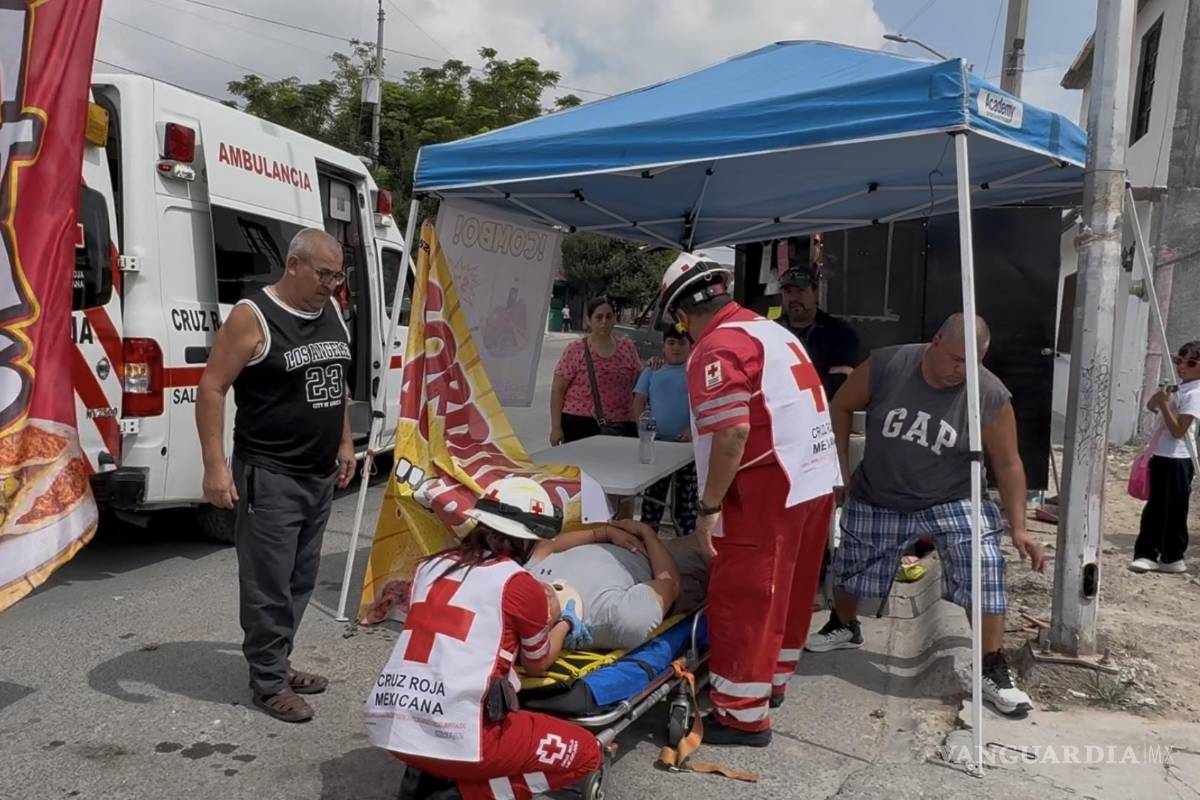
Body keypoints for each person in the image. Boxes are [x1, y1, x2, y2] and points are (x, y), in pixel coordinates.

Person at [806, 314, 1047, 718]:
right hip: (880, 492)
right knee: (852, 563)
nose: (960, 371)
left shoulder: (988, 393)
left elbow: (1008, 463)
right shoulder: (888, 364)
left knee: (984, 563)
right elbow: (841, 406)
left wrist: (1019, 527)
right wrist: (839, 469)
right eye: (954, 359)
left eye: (970, 363)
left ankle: (991, 666)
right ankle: (845, 625)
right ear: (934, 342)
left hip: (951, 498)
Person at [658, 252, 839, 747]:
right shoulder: (769, 330)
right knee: (790, 589)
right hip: (812, 476)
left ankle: (741, 713)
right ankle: (771, 683)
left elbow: (733, 431)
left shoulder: (718, 346)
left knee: (745, 595)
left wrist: (709, 508)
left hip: (764, 484)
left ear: (681, 313)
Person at [197, 228, 357, 723]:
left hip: (318, 473)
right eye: (325, 274)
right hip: (270, 473)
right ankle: (267, 683)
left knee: (299, 579)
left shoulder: (330, 310)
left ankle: (278, 662)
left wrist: (346, 441)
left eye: (338, 275)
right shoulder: (253, 316)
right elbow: (212, 388)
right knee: (267, 583)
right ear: (294, 265)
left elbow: (336, 382)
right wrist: (215, 466)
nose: (333, 284)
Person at [366, 477, 602, 800]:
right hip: (465, 736)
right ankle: (461, 794)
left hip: (392, 726)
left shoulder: (428, 567)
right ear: (528, 541)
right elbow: (538, 663)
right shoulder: (519, 584)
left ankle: (432, 779)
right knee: (587, 754)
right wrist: (567, 622)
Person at [526, 518, 709, 650]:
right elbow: (670, 584)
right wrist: (648, 535)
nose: (540, 592)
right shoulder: (611, 621)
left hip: (617, 541)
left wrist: (603, 532)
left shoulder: (527, 577)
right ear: (549, 624)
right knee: (715, 547)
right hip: (662, 560)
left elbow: (547, 546)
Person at [1130, 341, 1200, 575]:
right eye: (1179, 361)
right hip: (1161, 454)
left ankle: (1171, 556)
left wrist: (1164, 404)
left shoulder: (1196, 393)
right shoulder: (1180, 388)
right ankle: (1147, 554)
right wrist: (1159, 398)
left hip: (1179, 458)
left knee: (1174, 508)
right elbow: (1151, 407)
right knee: (1156, 506)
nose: (1182, 367)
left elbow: (1179, 430)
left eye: (1190, 363)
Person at [550, 297, 643, 444]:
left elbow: (638, 385)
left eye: (609, 316)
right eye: (598, 317)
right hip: (579, 425)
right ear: (589, 320)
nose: (604, 321)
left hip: (622, 425)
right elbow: (558, 390)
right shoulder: (575, 349)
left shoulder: (627, 347)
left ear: (615, 319)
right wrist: (556, 427)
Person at [633, 329, 698, 535]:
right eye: (671, 343)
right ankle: (646, 540)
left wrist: (693, 428)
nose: (676, 348)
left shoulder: (695, 371)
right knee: (653, 498)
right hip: (656, 445)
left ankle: (685, 541)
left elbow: (703, 405)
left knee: (686, 501)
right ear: (663, 346)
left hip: (686, 449)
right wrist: (642, 429)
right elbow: (639, 401)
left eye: (681, 343)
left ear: (690, 346)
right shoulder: (652, 370)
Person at [777, 265, 862, 399]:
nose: (794, 298)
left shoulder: (840, 333)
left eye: (800, 290)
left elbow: (843, 378)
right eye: (788, 292)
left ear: (815, 293)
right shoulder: (771, 332)